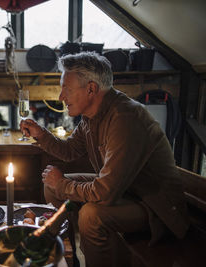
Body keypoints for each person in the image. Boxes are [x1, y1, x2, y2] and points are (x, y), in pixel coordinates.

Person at [20, 52, 189, 267]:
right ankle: (69, 254)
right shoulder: (93, 116)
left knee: (91, 216)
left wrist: (62, 184)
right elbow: (70, 150)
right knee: (51, 187)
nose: (61, 96)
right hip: (125, 190)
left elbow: (106, 193)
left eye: (67, 89)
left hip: (156, 206)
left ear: (91, 89)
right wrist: (41, 134)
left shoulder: (125, 118)